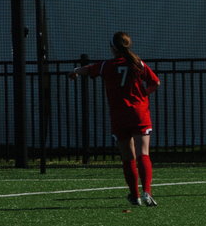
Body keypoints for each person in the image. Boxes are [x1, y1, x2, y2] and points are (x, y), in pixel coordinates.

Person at [69, 32, 160, 206]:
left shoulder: (107, 65)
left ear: (113, 48)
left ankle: (135, 196)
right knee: (143, 153)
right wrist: (143, 94)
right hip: (139, 114)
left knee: (128, 157)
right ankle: (147, 192)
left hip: (119, 116)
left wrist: (75, 72)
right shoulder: (137, 63)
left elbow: (88, 69)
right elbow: (155, 82)